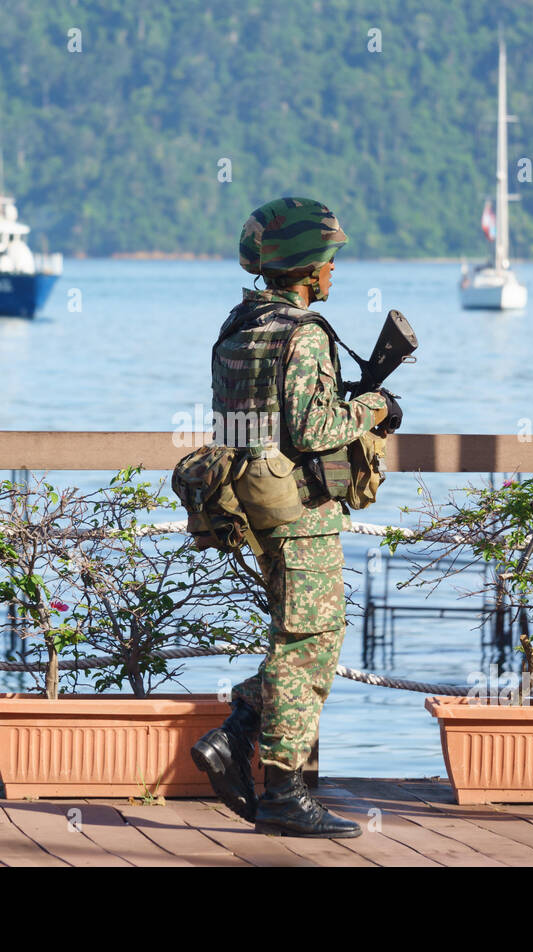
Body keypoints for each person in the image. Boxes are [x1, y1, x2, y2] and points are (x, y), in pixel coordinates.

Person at [190, 197, 399, 838]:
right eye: (330, 261)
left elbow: (244, 420)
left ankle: (239, 735)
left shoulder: (239, 325)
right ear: (307, 268)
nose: (334, 273)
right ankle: (282, 791)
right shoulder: (303, 334)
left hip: (252, 500)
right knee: (309, 643)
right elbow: (314, 429)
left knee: (298, 636)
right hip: (300, 508)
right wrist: (375, 409)